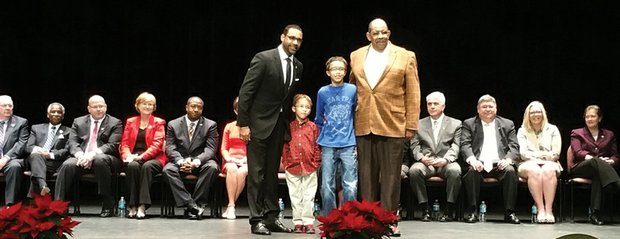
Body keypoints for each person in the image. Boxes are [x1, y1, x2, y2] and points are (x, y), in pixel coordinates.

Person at [349, 18, 421, 236]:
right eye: (375, 33)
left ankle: (389, 221)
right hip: (363, 122)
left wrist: (411, 124)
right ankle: (369, 220)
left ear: (389, 33)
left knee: (391, 177)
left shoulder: (405, 55)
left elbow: (413, 91)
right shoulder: (356, 55)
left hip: (393, 123)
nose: (380, 36)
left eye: (384, 32)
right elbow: (352, 90)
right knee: (366, 177)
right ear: (368, 35)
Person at [237, 24, 303, 235]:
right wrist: (244, 124)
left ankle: (271, 216)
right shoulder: (264, 58)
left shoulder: (298, 66)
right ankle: (256, 219)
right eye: (291, 38)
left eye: (299, 40)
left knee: (272, 174)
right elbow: (246, 92)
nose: (295, 42)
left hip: (277, 127)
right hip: (256, 126)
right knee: (256, 174)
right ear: (282, 36)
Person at [54, 95, 123, 217]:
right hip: (82, 157)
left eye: (101, 106)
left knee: (99, 160)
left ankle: (107, 203)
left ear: (106, 107)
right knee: (67, 164)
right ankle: (59, 206)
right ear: (89, 108)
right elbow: (72, 142)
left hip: (105, 157)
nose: (98, 109)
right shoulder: (78, 122)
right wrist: (81, 155)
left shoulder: (115, 122)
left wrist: (92, 154)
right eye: (95, 107)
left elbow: (113, 145)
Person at [460, 94, 520, 224]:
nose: (487, 109)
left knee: (510, 171)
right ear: (478, 109)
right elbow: (465, 144)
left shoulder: (507, 124)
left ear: (496, 108)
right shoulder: (469, 123)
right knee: (471, 172)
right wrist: (473, 160)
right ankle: (472, 212)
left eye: (490, 106)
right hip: (479, 163)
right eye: (484, 107)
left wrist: (508, 160)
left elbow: (514, 146)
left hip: (499, 164)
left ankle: (509, 213)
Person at [408, 91, 462, 222]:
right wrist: (421, 158)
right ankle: (425, 208)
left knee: (455, 171)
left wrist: (446, 159)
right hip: (427, 162)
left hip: (446, 162)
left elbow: (456, 145)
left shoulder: (455, 123)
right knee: (414, 170)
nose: (432, 106)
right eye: (429, 104)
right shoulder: (418, 123)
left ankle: (449, 209)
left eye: (435, 104)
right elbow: (414, 145)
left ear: (443, 106)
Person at [163, 96, 219, 220]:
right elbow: (170, 147)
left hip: (201, 161)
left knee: (212, 167)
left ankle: (196, 205)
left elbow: (210, 149)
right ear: (187, 107)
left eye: (199, 107)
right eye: (193, 106)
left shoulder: (210, 125)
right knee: (168, 170)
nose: (196, 109)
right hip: (180, 160)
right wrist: (180, 161)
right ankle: (191, 205)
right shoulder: (174, 124)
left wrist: (196, 161)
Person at [315, 56, 357, 217]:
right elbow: (318, 118)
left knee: (351, 185)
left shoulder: (352, 90)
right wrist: (320, 138)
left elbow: (356, 114)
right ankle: (330, 220)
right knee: (326, 185)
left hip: (348, 143)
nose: (338, 72)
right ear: (328, 72)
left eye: (341, 69)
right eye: (334, 69)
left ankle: (349, 219)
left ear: (346, 72)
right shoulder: (323, 92)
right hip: (328, 144)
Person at [570, 105, 620, 225]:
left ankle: (595, 213)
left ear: (600, 118)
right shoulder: (577, 133)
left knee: (598, 173)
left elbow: (616, 156)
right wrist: (596, 159)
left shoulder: (609, 135)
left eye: (593, 116)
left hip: (600, 170)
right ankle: (617, 183)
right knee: (596, 162)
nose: (589, 119)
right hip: (581, 166)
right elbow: (577, 152)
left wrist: (611, 161)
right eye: (587, 116)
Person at [119, 92, 166, 219]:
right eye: (144, 104)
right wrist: (128, 156)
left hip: (154, 158)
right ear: (138, 105)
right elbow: (124, 143)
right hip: (134, 156)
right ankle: (132, 205)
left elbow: (157, 144)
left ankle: (143, 205)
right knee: (132, 166)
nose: (147, 106)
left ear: (154, 107)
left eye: (150, 104)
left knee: (146, 167)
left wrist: (142, 157)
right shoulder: (131, 122)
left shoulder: (158, 122)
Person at [517, 101, 562, 224]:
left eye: (538, 112)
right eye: (532, 112)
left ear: (543, 114)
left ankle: (549, 210)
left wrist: (541, 156)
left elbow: (555, 153)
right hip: (527, 163)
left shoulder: (553, 129)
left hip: (550, 163)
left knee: (548, 170)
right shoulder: (522, 131)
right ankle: (540, 209)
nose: (535, 115)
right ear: (528, 115)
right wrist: (541, 156)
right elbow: (523, 153)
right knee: (534, 170)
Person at [282, 94, 321, 234]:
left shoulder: (313, 127)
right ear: (294, 108)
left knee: (309, 195)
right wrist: (286, 162)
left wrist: (316, 162)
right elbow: (285, 146)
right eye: (301, 106)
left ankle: (308, 221)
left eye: (307, 107)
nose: (304, 110)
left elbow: (317, 146)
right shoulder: (289, 127)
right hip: (292, 166)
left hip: (310, 167)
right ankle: (297, 222)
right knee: (295, 195)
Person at [25, 102, 70, 197]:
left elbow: (66, 150)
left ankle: (41, 187)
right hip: (36, 159)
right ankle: (43, 185)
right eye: (53, 111)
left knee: (36, 170)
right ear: (48, 114)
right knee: (35, 155)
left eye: (59, 112)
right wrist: (39, 150)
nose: (56, 114)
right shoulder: (36, 128)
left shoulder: (69, 131)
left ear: (63, 115)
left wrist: (49, 154)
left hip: (54, 163)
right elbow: (28, 146)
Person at [220, 96, 248, 220]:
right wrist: (229, 158)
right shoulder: (229, 126)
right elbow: (224, 148)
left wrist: (245, 159)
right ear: (236, 111)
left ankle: (231, 206)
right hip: (231, 159)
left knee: (242, 171)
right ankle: (231, 205)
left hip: (247, 160)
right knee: (232, 169)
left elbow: (255, 148)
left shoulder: (252, 127)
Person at [0, 95, 29, 205]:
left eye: (10, 105)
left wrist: (5, 158)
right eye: (4, 105)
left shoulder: (21, 122)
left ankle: (10, 205)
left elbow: (21, 143)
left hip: (11, 159)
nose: (8, 108)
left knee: (15, 166)